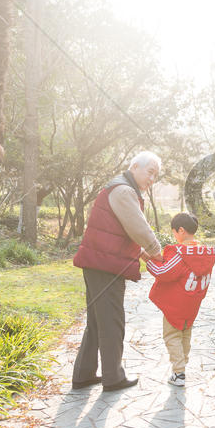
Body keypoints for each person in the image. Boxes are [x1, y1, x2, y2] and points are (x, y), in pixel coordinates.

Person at [71, 151, 164, 392]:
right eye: (149, 172)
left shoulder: (118, 188)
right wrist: (155, 250)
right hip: (105, 264)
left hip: (97, 262)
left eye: (156, 175)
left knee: (96, 321)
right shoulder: (124, 191)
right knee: (112, 321)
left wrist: (141, 252)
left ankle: (83, 374)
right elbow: (137, 226)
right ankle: (113, 377)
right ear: (134, 166)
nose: (151, 179)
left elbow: (120, 228)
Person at [144, 213, 215, 387]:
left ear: (181, 231)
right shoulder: (205, 252)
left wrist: (146, 258)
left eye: (174, 232)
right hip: (192, 303)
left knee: (172, 335)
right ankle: (182, 365)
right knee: (185, 334)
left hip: (176, 305)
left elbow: (163, 272)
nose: (174, 236)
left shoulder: (179, 253)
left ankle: (179, 372)